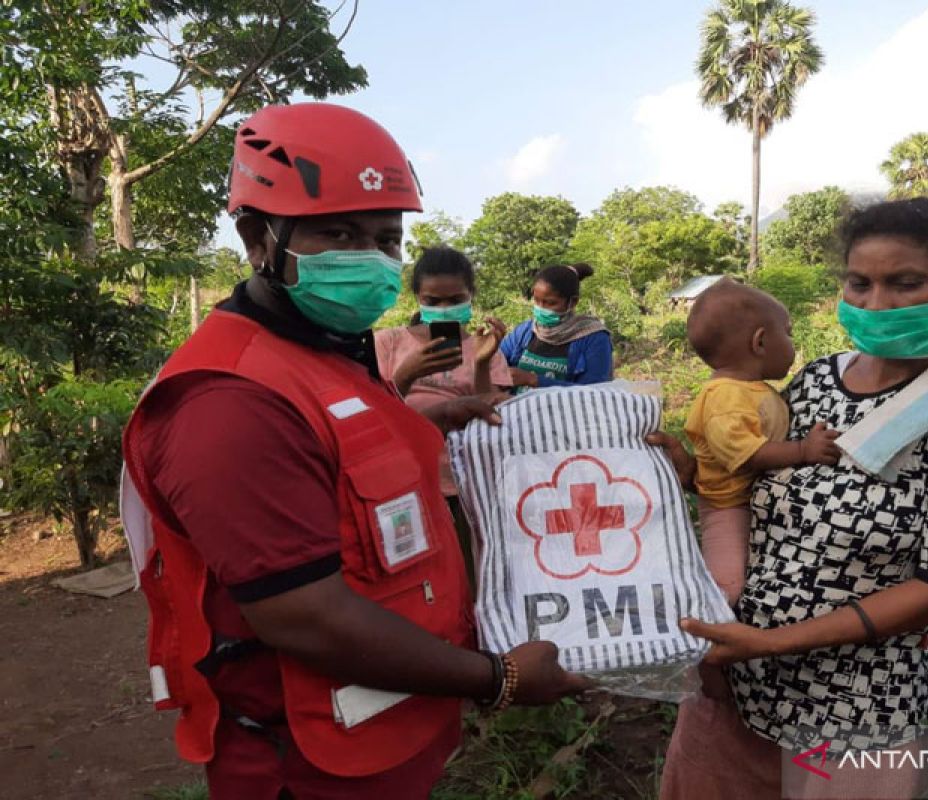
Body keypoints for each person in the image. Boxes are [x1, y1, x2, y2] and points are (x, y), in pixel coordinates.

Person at [120, 103, 588, 799]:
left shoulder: (327, 353)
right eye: (338, 232)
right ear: (258, 238)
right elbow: (303, 614)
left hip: (386, 737)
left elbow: (349, 463)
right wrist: (500, 679)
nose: (369, 259)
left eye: (384, 238)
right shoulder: (228, 400)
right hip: (308, 765)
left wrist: (452, 414)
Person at [655, 199, 928, 800]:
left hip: (854, 715)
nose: (876, 303)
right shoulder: (811, 383)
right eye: (860, 283)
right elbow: (749, 493)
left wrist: (774, 641)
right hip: (730, 690)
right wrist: (684, 471)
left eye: (905, 283)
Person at [683, 278, 840, 604]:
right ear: (760, 342)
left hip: (752, 501)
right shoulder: (725, 398)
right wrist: (803, 451)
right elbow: (747, 454)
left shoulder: (751, 388)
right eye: (789, 333)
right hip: (728, 507)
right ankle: (707, 639)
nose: (792, 342)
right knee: (727, 585)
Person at [375, 246, 512, 581]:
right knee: (413, 576)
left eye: (455, 299)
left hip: (468, 483)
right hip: (405, 481)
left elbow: (495, 416)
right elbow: (373, 414)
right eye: (432, 301)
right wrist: (406, 374)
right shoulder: (389, 343)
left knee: (471, 572)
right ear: (417, 299)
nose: (444, 309)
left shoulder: (485, 347)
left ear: (471, 296)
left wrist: (480, 363)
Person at [501, 263, 613, 389]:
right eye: (537, 300)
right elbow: (496, 366)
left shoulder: (594, 338)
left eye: (550, 303)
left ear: (573, 302)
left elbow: (595, 393)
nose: (541, 308)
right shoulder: (525, 331)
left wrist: (534, 380)